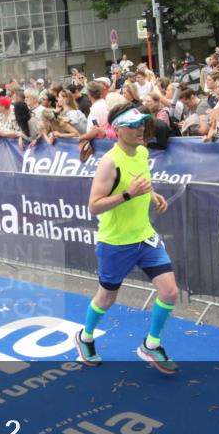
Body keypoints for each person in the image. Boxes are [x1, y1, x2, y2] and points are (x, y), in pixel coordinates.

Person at [74, 104, 178, 374]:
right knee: (107, 298)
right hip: (116, 242)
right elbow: (94, 206)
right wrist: (129, 195)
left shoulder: (142, 151)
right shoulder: (109, 162)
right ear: (117, 130)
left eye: (142, 123)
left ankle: (151, 345)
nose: (141, 129)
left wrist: (152, 194)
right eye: (133, 125)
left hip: (145, 237)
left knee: (169, 291)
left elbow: (142, 180)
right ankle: (85, 337)